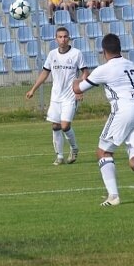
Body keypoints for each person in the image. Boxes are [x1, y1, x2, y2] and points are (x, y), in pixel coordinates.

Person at [72, 33, 134, 206]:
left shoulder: (104, 69)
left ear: (104, 52)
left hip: (124, 111)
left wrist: (75, 80)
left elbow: (78, 89)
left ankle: (113, 196)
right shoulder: (131, 64)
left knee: (103, 152)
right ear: (120, 48)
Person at [25, 27, 88, 165]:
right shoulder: (52, 54)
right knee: (55, 126)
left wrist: (80, 90)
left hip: (70, 96)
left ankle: (74, 148)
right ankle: (59, 157)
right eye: (60, 37)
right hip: (55, 96)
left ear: (69, 38)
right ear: (56, 39)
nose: (63, 39)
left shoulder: (76, 54)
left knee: (65, 126)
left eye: (65, 36)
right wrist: (33, 89)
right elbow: (45, 73)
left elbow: (85, 73)